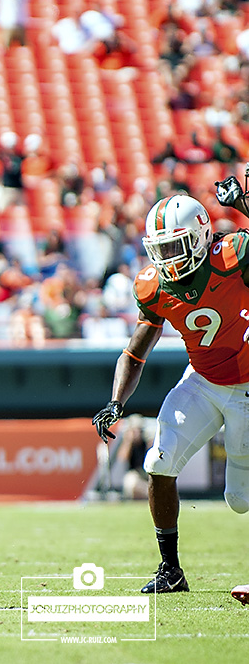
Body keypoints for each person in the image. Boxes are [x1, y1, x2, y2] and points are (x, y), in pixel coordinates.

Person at [92, 181, 249, 595]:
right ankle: (170, 570)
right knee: (158, 463)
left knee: (240, 499)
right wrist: (115, 402)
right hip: (201, 379)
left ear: (200, 236)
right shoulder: (154, 286)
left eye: (175, 247)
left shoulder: (232, 257)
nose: (168, 259)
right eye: (159, 250)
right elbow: (134, 352)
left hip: (247, 386)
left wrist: (244, 207)